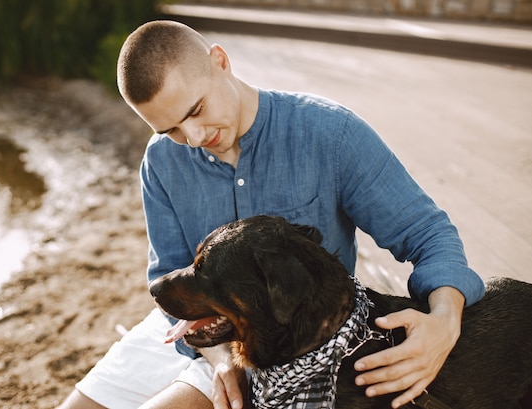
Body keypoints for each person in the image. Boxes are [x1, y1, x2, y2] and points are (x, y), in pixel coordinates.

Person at [57, 20, 485, 409]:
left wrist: (445, 320)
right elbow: (168, 270)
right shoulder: (161, 161)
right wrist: (221, 358)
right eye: (169, 129)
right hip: (200, 331)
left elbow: (428, 233)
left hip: (284, 347)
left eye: (196, 111)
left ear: (219, 62)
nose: (193, 138)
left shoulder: (330, 135)